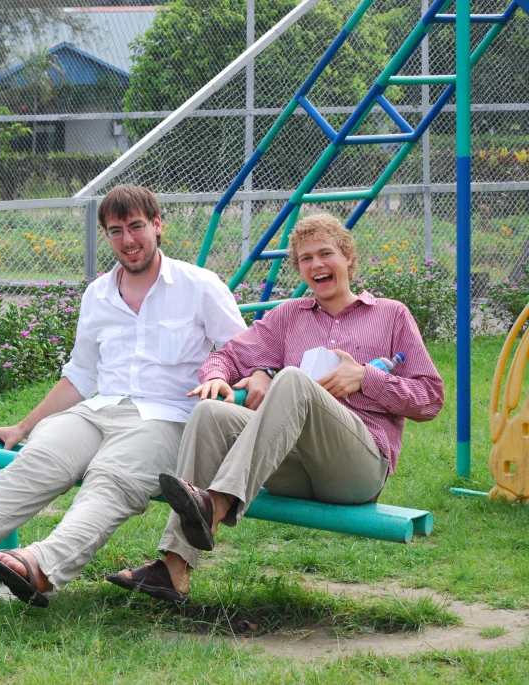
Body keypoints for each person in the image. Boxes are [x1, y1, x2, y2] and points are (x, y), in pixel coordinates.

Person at [0, 184, 247, 607]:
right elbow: (80, 375)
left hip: (167, 419)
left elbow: (243, 353)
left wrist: (231, 383)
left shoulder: (199, 285)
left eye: (136, 227)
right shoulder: (98, 294)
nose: (127, 240)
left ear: (158, 225)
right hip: (99, 410)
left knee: (111, 479)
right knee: (36, 461)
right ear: (105, 235)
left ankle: (41, 566)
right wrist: (23, 426)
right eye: (115, 231)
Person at [109, 213, 444, 604]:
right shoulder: (289, 316)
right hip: (294, 467)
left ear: (348, 258)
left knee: (291, 379)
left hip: (357, 468)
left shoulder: (391, 315)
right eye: (305, 259)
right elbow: (230, 354)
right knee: (210, 412)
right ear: (299, 269)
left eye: (326, 254)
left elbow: (431, 400)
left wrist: (367, 378)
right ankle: (173, 567)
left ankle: (213, 505)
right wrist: (221, 375)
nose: (317, 265)